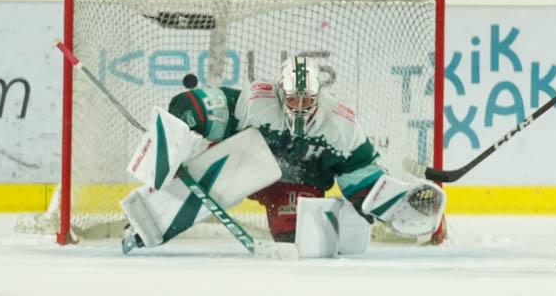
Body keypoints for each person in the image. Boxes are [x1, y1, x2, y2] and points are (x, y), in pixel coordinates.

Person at [120, 56, 446, 251]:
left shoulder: (341, 126)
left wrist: (391, 202)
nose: (300, 106)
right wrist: (183, 124)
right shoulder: (257, 103)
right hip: (246, 168)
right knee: (214, 168)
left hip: (297, 187)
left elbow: (362, 178)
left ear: (319, 95)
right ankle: (144, 223)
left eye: (307, 99)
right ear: (279, 93)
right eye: (293, 98)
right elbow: (197, 104)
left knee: (300, 243)